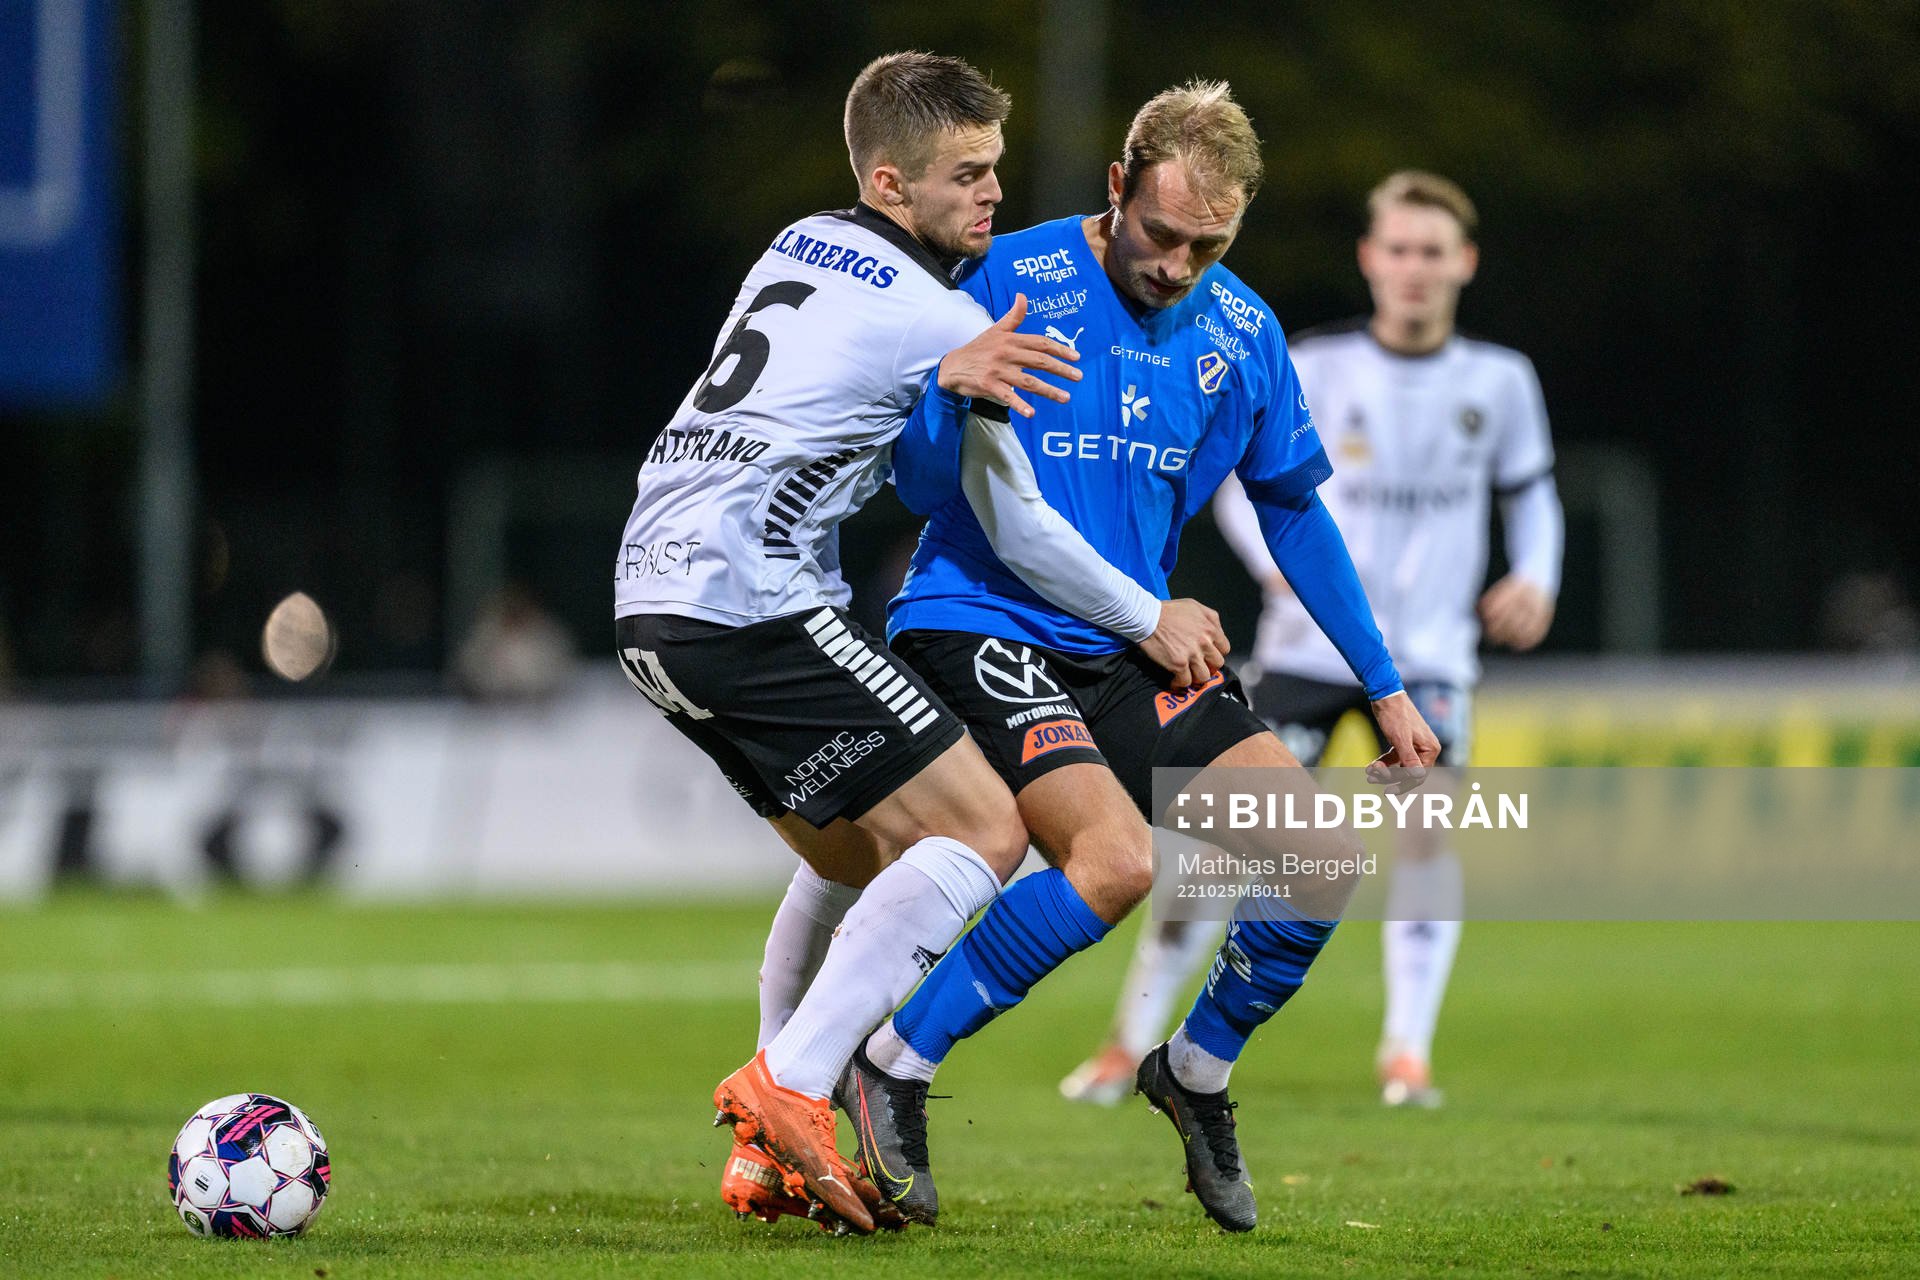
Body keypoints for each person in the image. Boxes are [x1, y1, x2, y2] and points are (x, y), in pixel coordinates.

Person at [744, 81, 1440, 1234]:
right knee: (1110, 862)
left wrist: (1386, 681)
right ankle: (894, 1065)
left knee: (1318, 856)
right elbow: (921, 481)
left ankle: (1196, 1073)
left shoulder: (1244, 333)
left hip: (1129, 645)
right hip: (981, 619)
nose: (1177, 263)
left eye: (1208, 244)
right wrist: (945, 401)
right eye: (1161, 233)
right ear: (1116, 188)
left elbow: (1296, 514)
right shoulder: (1003, 273)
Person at [612, 52, 1226, 1234]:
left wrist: (941, 369)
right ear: (892, 183)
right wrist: (1150, 614)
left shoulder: (797, 240)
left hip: (651, 604)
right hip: (751, 601)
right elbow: (1017, 524)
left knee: (856, 858)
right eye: (966, 174)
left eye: (996, 168)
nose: (991, 195)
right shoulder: (944, 311)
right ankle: (792, 1084)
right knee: (984, 829)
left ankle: (769, 1145)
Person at [1059, 170, 1564, 1112]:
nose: (1414, 269)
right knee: (1211, 852)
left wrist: (1536, 576)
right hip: (1299, 650)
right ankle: (1129, 1044)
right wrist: (1273, 566)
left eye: (1432, 252)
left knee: (1424, 842)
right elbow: (1234, 484)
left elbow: (1531, 495)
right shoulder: (1311, 361)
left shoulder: (1499, 381)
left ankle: (1406, 1053)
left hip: (1429, 659)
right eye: (1399, 250)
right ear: (1372, 259)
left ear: (1464, 264)